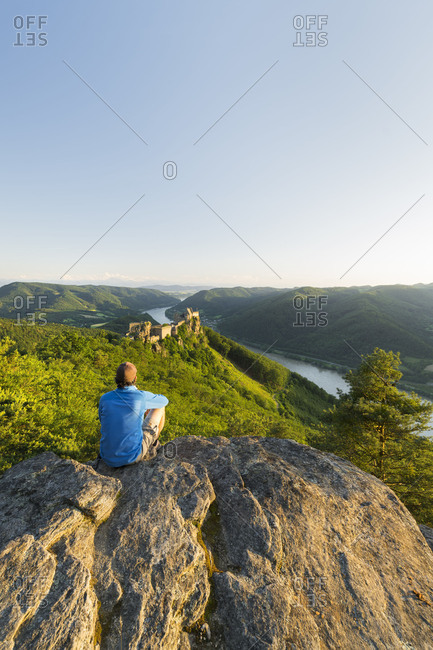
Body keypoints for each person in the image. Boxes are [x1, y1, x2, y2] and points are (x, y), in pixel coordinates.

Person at [96, 361, 168, 468]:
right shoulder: (140, 397)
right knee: (160, 407)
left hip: (107, 457)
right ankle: (152, 443)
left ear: (116, 378)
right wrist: (145, 403)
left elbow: (103, 421)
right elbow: (164, 400)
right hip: (131, 456)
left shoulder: (105, 398)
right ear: (135, 379)